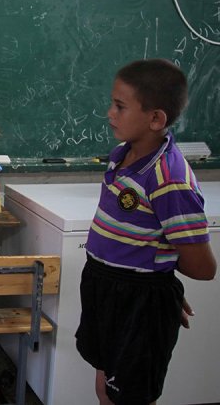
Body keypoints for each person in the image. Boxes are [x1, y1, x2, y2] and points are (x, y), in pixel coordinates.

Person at [75, 59, 216, 405]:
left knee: (132, 396)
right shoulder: (120, 155)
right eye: (112, 102)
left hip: (139, 302)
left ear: (156, 119)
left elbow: (203, 267)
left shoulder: (170, 181)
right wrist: (154, 264)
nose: (110, 113)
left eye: (120, 106)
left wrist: (156, 281)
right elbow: (141, 236)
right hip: (104, 285)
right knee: (105, 388)